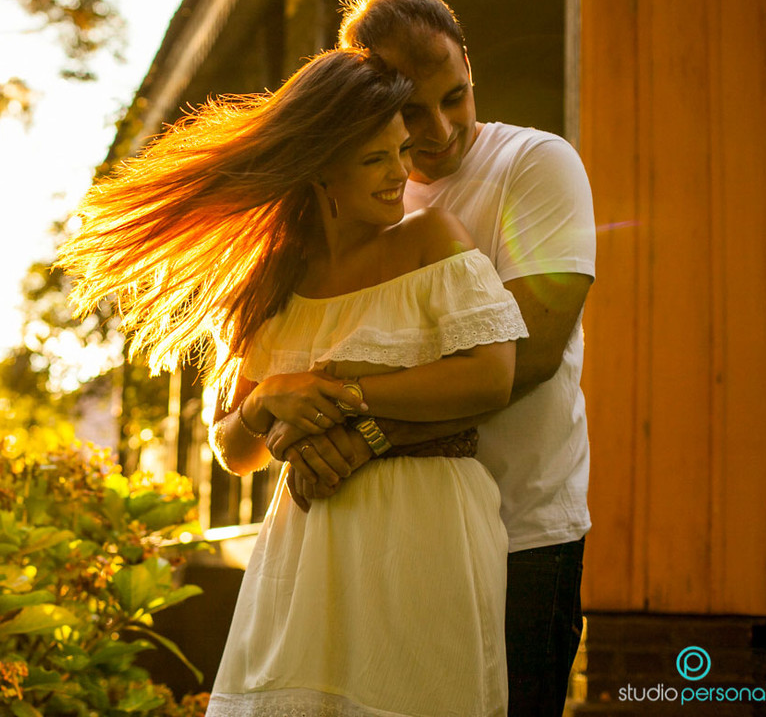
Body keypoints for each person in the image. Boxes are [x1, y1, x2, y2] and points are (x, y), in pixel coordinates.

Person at [58, 48, 528, 716]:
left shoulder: (432, 239)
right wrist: (268, 404)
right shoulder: (270, 285)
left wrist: (342, 399)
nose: (403, 173)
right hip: (305, 557)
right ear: (320, 171)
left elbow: (491, 377)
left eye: (402, 151)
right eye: (377, 160)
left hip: (428, 538)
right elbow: (235, 449)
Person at [280, 0, 596, 715]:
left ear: (469, 69)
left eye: (455, 96)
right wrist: (291, 424)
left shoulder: (537, 166)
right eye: (412, 110)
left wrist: (361, 433)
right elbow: (288, 355)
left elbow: (530, 353)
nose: (443, 128)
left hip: (523, 532)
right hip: (392, 544)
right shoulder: (359, 198)